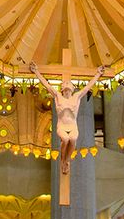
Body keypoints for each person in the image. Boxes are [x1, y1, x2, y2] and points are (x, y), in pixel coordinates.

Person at [25, 58, 107, 204]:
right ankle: (63, 160)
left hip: (73, 126)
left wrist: (98, 74)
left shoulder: (77, 97)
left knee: (73, 140)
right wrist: (36, 71)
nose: (67, 90)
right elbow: (47, 85)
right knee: (66, 140)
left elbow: (88, 87)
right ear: (63, 89)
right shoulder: (58, 97)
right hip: (62, 126)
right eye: (66, 89)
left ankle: (66, 160)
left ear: (72, 89)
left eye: (69, 89)